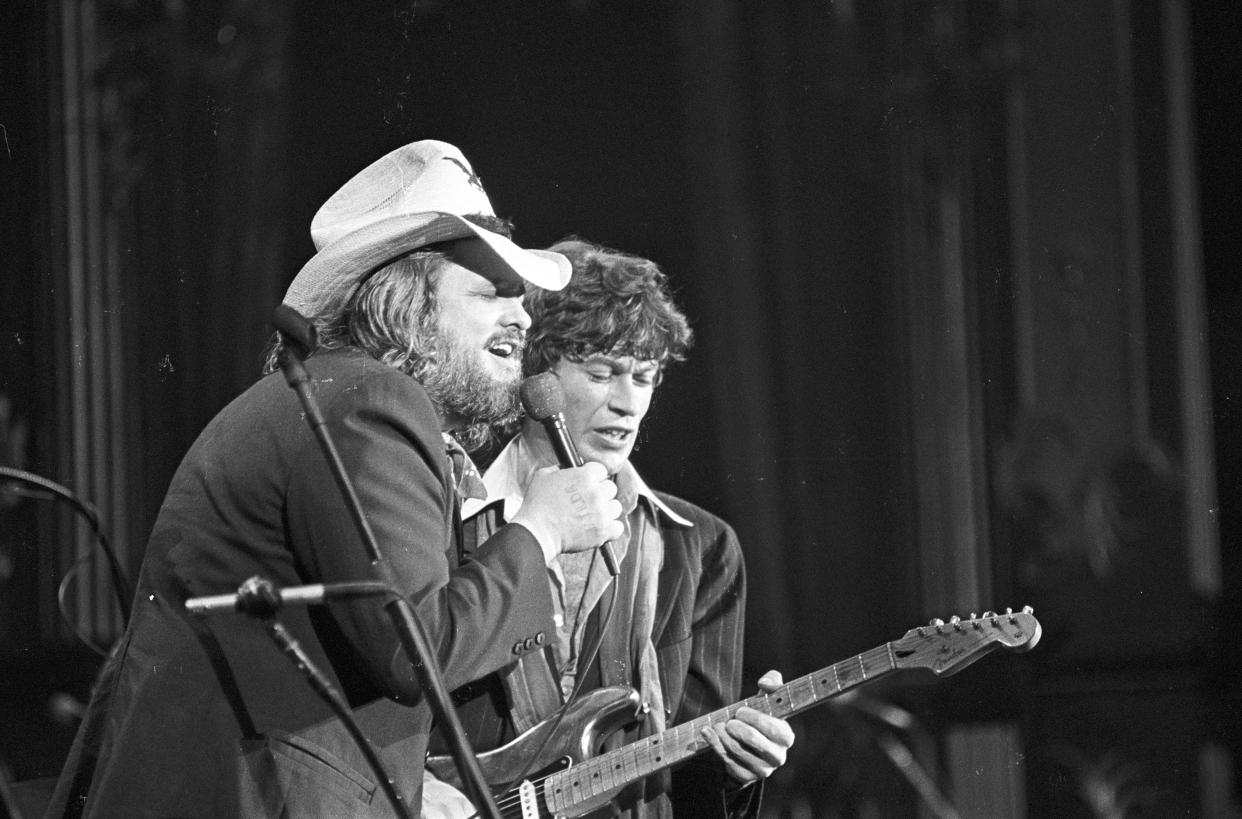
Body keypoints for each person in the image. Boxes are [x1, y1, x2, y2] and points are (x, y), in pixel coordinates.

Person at [46, 140, 624, 818]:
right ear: (408, 304)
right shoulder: (372, 402)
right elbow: (414, 650)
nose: (523, 317)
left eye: (521, 296)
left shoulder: (333, 398)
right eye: (493, 292)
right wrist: (542, 528)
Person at [433, 239, 795, 817]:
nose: (629, 403)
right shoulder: (448, 511)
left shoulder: (699, 546)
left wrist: (737, 768)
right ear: (535, 373)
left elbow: (693, 783)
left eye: (645, 377)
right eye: (602, 373)